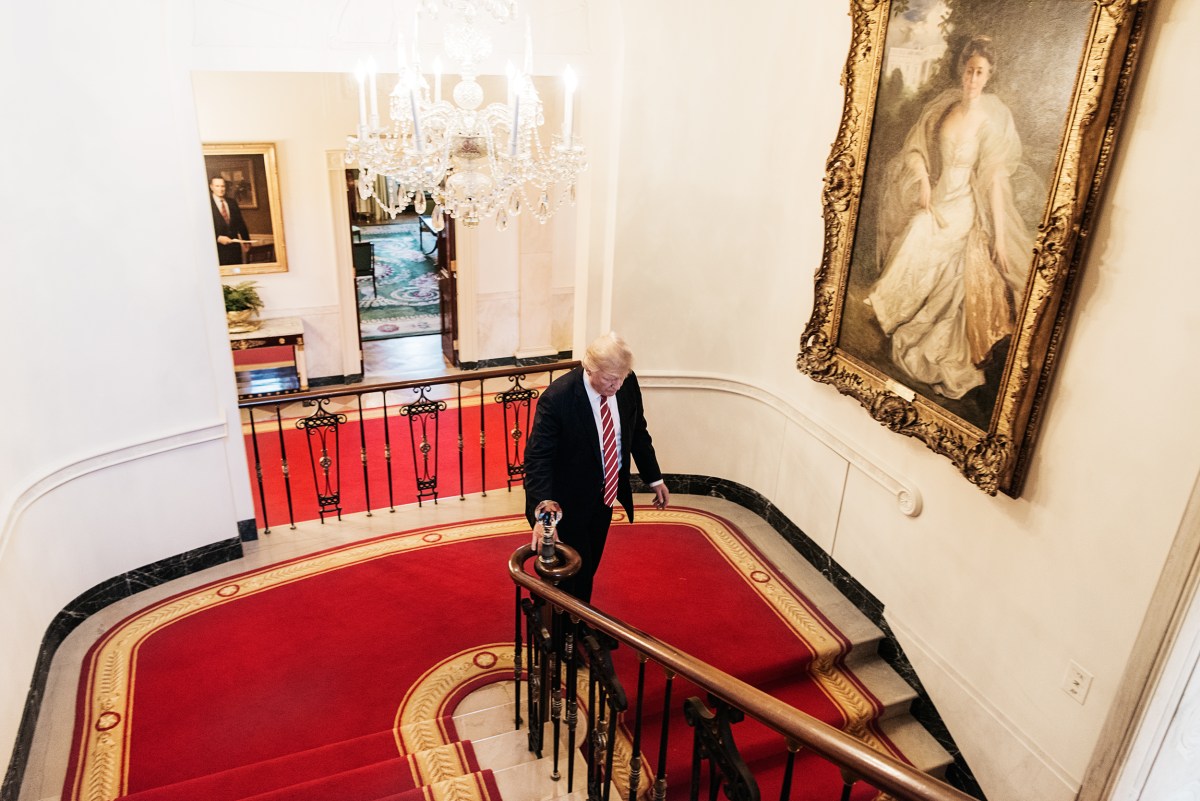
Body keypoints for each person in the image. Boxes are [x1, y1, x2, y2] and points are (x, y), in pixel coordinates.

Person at [866, 36, 1035, 401]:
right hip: (939, 196)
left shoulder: (992, 117)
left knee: (945, 262)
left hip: (964, 206)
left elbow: (993, 182)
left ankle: (923, 327)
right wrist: (925, 181)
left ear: (988, 76)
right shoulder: (944, 108)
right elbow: (915, 149)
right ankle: (894, 313)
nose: (973, 78)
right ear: (962, 70)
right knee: (917, 231)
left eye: (980, 72)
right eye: (969, 70)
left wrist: (1001, 240)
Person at [524, 332, 670, 603]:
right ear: (589, 368)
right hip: (567, 503)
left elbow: (637, 431)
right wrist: (543, 513)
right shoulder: (558, 398)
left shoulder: (627, 382)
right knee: (571, 570)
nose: (617, 385)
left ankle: (577, 625)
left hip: (604, 498)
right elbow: (538, 459)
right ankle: (564, 629)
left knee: (589, 567)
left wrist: (654, 478)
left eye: (622, 376)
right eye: (609, 378)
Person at [210, 176, 251, 266]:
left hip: (234, 249)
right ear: (211, 187)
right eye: (217, 186)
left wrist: (246, 240)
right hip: (216, 250)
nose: (221, 189)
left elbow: (240, 223)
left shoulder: (232, 202)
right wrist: (217, 238)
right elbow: (201, 229)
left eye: (223, 186)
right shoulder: (206, 204)